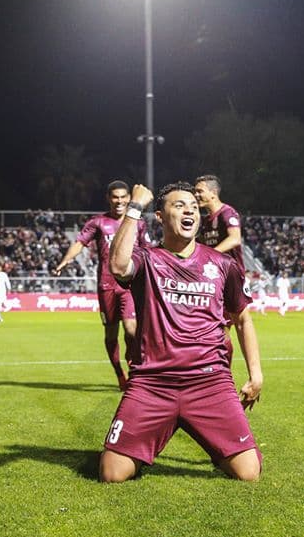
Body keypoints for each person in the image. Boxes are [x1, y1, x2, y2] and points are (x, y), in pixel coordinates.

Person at [99, 181, 263, 483]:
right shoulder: (147, 259)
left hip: (209, 382)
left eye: (193, 206)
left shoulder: (223, 264)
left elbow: (242, 319)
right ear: (160, 216)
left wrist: (256, 374)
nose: (189, 210)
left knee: (249, 473)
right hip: (152, 383)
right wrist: (134, 208)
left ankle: (216, 443)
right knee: (112, 474)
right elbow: (119, 265)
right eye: (178, 205)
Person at [53, 180, 153, 390]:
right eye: (115, 197)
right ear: (109, 198)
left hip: (129, 285)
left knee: (132, 330)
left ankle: (135, 368)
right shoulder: (98, 222)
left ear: (129, 198)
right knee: (110, 333)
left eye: (123, 197)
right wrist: (66, 260)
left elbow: (148, 250)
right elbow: (80, 242)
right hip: (107, 286)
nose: (119, 201)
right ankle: (120, 374)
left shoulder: (138, 222)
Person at [193, 174, 245, 277]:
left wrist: (211, 254)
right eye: (195, 192)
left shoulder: (227, 212)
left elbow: (235, 239)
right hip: (216, 274)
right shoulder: (207, 220)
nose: (196, 195)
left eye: (200, 191)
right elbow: (200, 243)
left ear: (213, 193)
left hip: (232, 275)